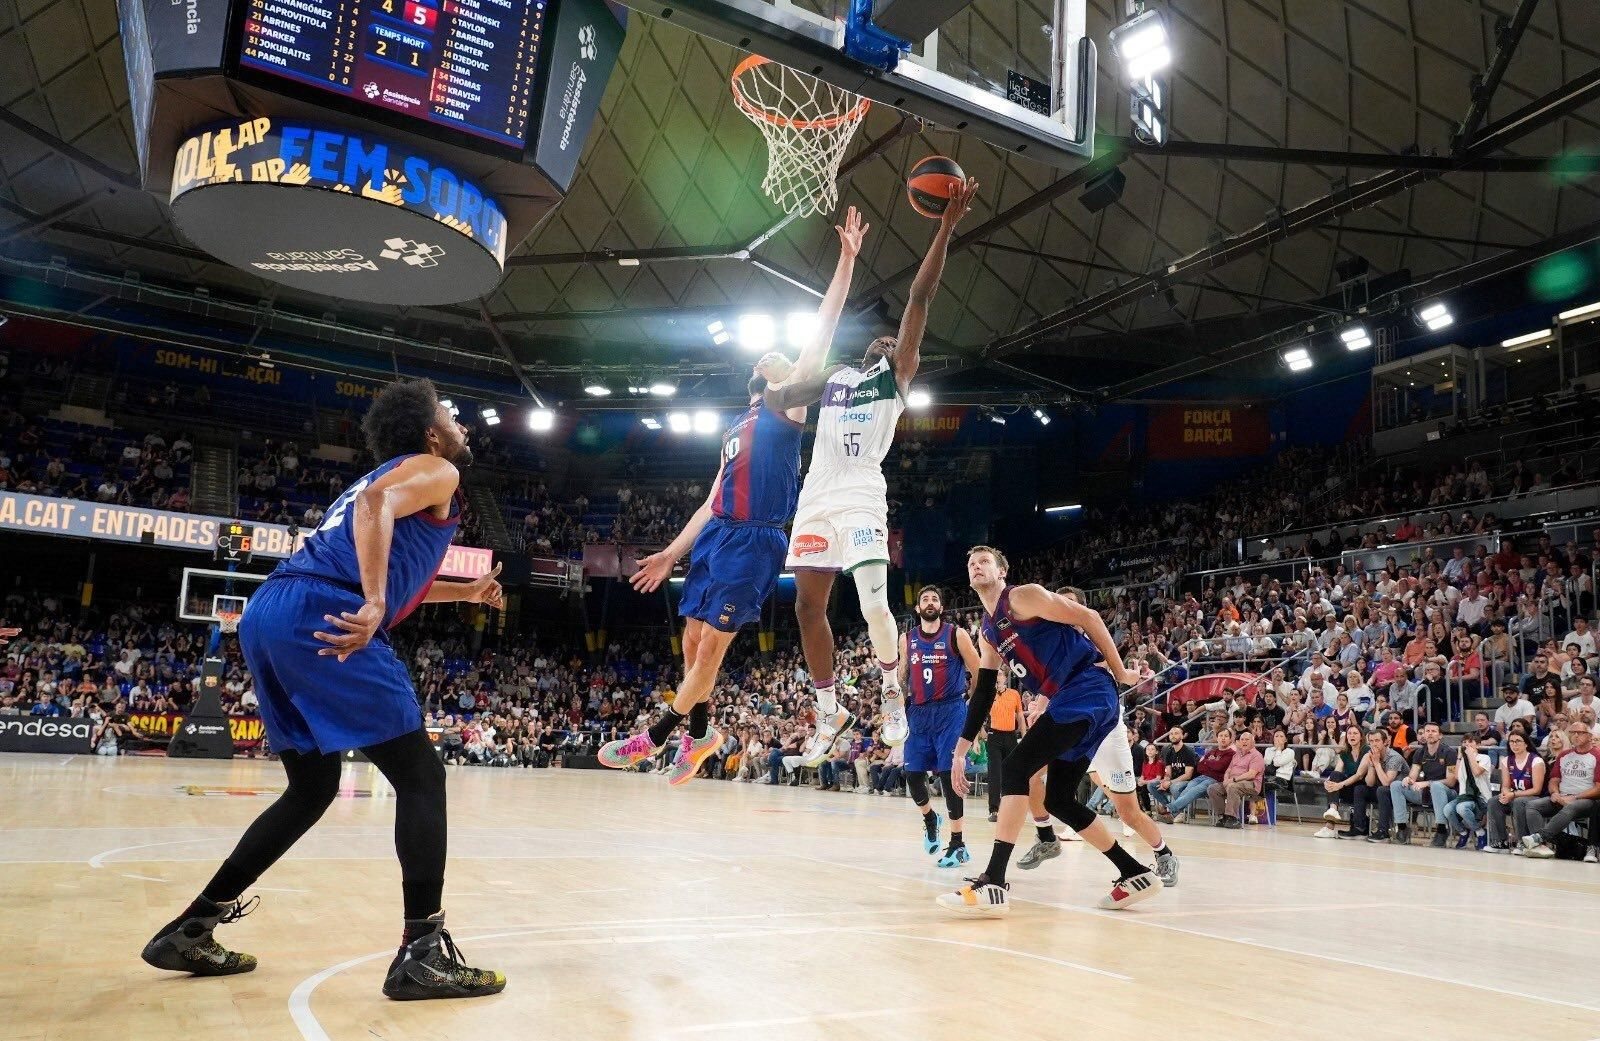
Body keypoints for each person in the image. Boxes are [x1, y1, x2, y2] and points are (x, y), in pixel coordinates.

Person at [140, 379, 507, 1000]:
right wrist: (374, 600)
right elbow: (374, 515)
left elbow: (387, 560)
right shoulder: (436, 470)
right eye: (451, 416)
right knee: (421, 776)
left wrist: (464, 591)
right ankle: (421, 953)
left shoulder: (390, 479)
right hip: (322, 610)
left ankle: (191, 928)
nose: (461, 424)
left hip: (272, 610)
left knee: (311, 787)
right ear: (430, 435)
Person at [606, 210, 870, 782]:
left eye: (778, 356)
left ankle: (653, 738)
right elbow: (709, 501)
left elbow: (821, 332)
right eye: (765, 356)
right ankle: (702, 735)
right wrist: (671, 552)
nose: (767, 356)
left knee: (710, 651)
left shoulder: (786, 406)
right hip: (718, 534)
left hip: (755, 540)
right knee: (691, 640)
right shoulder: (736, 425)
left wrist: (846, 262)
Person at [797, 180, 979, 766]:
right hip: (816, 496)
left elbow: (920, 299)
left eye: (893, 338)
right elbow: (814, 342)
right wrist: (847, 260)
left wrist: (944, 228)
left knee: (875, 608)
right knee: (807, 607)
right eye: (880, 337)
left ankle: (891, 692)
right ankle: (829, 708)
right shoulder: (834, 378)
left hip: (861, 495)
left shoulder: (894, 378)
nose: (887, 339)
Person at [937, 546, 1154, 918]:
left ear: (1002, 571)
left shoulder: (1022, 597)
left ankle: (993, 882)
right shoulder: (987, 632)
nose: (976, 566)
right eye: (971, 563)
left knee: (1016, 767)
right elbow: (984, 691)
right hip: (1075, 699)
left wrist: (1121, 672)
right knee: (1058, 800)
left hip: (1086, 689)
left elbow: (1089, 617)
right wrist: (960, 749)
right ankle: (1134, 873)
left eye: (985, 561)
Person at [896, 585, 980, 867]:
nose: (930, 602)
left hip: (951, 710)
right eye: (925, 599)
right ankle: (930, 818)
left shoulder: (956, 634)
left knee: (949, 774)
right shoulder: (907, 638)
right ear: (918, 608)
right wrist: (894, 702)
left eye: (935, 599)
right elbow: (903, 675)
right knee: (912, 774)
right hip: (918, 712)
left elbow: (979, 672)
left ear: (941, 608)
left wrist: (973, 710)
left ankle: (958, 843)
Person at [1520, 720, 1600, 859]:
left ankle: (1539, 837)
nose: (1576, 735)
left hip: (1585, 800)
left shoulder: (1597, 756)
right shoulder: (1564, 755)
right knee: (1532, 806)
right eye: (1573, 732)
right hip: (1561, 796)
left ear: (1589, 736)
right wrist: (1555, 793)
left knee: (1571, 806)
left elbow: (1598, 788)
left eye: (1580, 733)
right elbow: (1554, 780)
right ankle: (1540, 847)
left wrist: (1575, 797)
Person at [1337, 728, 1407, 841]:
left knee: (1382, 790)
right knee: (1360, 789)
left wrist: (1377, 763)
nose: (1374, 744)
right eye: (1371, 741)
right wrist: (1372, 765)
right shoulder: (1371, 755)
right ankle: (1359, 828)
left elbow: (1386, 782)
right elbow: (1370, 783)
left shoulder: (1394, 757)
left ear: (1385, 742)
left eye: (1377, 740)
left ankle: (1383, 831)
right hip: (1382, 791)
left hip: (1400, 793)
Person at [1485, 729, 1545, 853]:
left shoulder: (1536, 760)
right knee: (1494, 801)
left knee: (1519, 802)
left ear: (1526, 743)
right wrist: (1505, 794)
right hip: (1515, 796)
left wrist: (1513, 794)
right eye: (1511, 741)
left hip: (1534, 798)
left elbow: (1537, 790)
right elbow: (1506, 785)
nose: (1514, 744)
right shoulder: (1507, 760)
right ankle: (1500, 842)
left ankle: (1522, 843)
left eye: (1518, 741)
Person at [984, 672, 1025, 822]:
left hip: (1010, 736)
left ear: (1005, 678)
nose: (997, 676)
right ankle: (994, 809)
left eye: (1000, 674)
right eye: (996, 674)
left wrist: (1024, 735)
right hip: (994, 736)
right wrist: (979, 734)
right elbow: (979, 714)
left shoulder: (1014, 694)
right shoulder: (988, 694)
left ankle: (1010, 808)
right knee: (994, 773)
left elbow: (1020, 715)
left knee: (1011, 772)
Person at [1441, 734, 1493, 850]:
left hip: (1480, 797)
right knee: (1447, 809)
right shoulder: (1462, 760)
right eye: (1464, 742)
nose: (1467, 744)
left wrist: (1470, 756)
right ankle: (1463, 832)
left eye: (1470, 742)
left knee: (1461, 808)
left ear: (1477, 745)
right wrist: (1459, 757)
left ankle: (1480, 833)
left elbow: (1477, 772)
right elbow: (1457, 777)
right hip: (1464, 796)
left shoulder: (1484, 758)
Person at [1207, 729, 1265, 828]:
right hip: (1232, 782)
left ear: (1253, 742)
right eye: (1242, 739)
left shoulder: (1257, 756)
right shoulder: (1236, 755)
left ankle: (1232, 817)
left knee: (1233, 787)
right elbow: (1228, 770)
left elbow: (1251, 774)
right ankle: (1223, 816)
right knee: (1212, 788)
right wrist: (1226, 779)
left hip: (1250, 784)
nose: (1244, 742)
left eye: (1247, 739)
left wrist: (1233, 780)